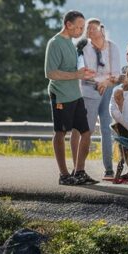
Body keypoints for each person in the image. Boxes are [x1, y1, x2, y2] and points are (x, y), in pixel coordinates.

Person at [44, 10, 98, 186]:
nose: (82, 31)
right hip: (60, 95)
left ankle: (79, 171)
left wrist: (84, 73)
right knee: (60, 133)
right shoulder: (55, 43)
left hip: (76, 95)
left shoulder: (71, 43)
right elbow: (50, 72)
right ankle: (64, 175)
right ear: (68, 25)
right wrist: (76, 74)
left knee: (86, 132)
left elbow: (73, 70)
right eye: (79, 27)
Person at [80, 19, 122, 179]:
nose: (89, 31)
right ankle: (80, 169)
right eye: (87, 29)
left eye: (93, 28)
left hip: (107, 88)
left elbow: (116, 73)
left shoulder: (112, 48)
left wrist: (105, 81)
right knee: (86, 129)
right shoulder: (84, 48)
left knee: (106, 127)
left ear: (101, 30)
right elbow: (84, 72)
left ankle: (108, 169)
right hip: (89, 89)